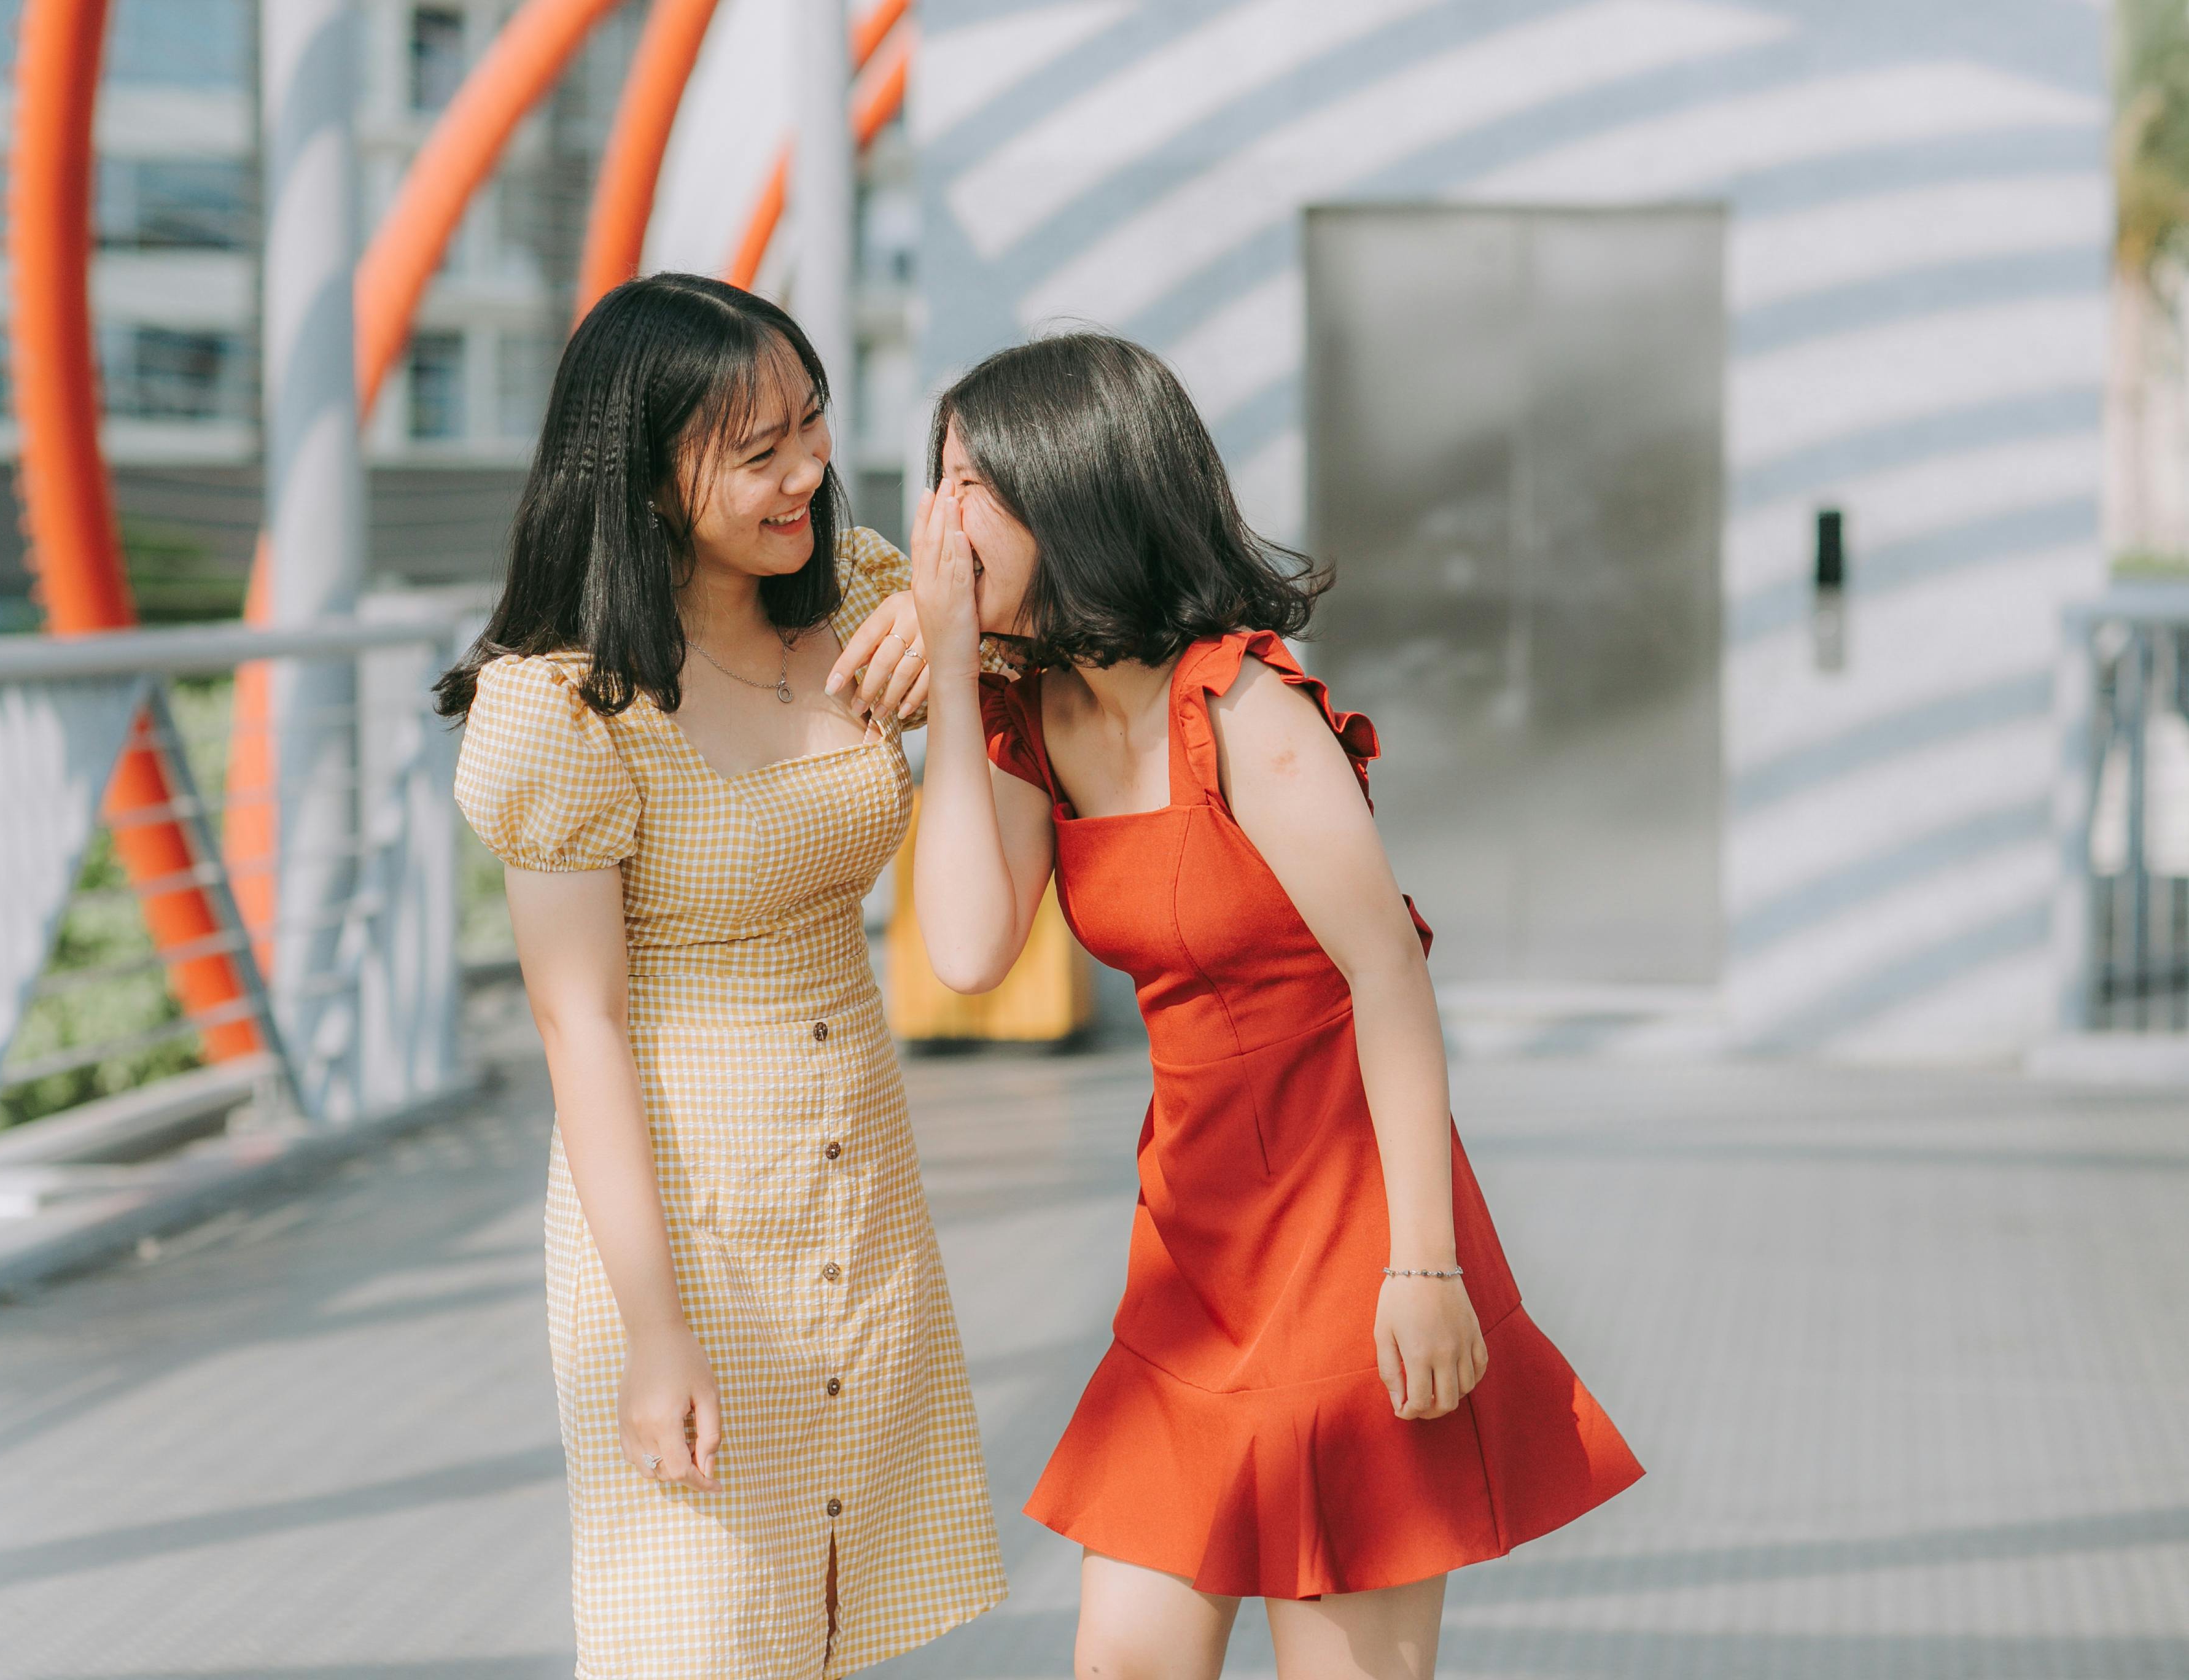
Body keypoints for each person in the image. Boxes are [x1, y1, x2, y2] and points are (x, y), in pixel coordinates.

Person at [882, 332, 1642, 1679]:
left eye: (968, 483)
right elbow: (967, 945)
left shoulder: (1243, 708)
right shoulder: (1023, 709)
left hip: (1354, 1235)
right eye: (937, 478)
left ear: (1073, 494)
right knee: (1124, 1661)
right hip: (1196, 1246)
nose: (935, 521)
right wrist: (950, 679)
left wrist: (1425, 1267)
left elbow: (1389, 980)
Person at [440, 273, 1004, 1677]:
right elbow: (579, 1022)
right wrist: (651, 1330)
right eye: (760, 453)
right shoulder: (566, 702)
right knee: (690, 1627)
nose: (809, 471)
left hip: (854, 1184)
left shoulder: (865, 595)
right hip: (685, 1221)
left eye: (812, 425)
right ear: (641, 476)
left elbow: (1046, 626)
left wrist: (964, 643)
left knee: (828, 1614)